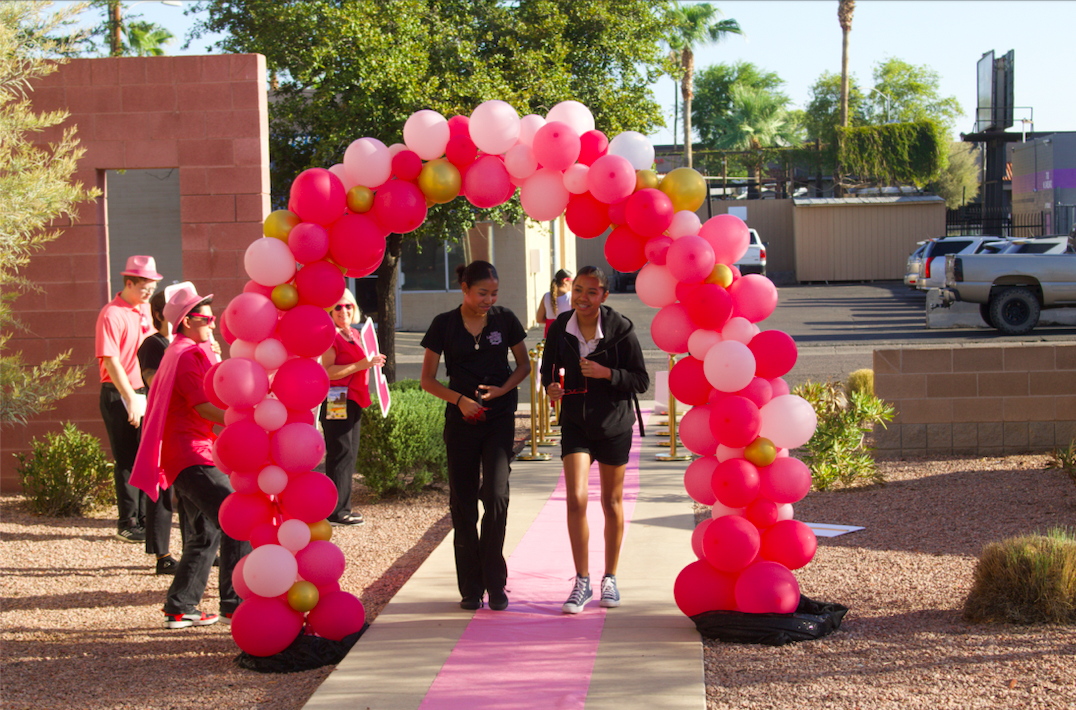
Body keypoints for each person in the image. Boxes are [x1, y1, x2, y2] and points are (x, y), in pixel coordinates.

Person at [130, 283, 250, 629]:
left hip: (184, 455)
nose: (212, 324)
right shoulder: (188, 355)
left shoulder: (179, 350)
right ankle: (234, 603)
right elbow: (202, 406)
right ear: (185, 322)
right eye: (206, 319)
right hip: (192, 454)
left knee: (204, 534)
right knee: (237, 518)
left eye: (213, 318)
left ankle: (180, 607)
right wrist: (246, 415)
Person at [420, 261, 530, 612]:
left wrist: (502, 391)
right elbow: (428, 380)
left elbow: (524, 365)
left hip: (498, 420)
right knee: (463, 503)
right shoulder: (443, 325)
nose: (488, 299)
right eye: (482, 293)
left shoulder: (505, 319)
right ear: (464, 288)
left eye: (493, 293)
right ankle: (470, 587)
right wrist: (461, 401)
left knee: (496, 496)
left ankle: (496, 582)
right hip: (462, 422)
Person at [541, 266, 649, 614]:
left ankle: (610, 578)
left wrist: (608, 374)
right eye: (578, 291)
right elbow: (547, 374)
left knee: (612, 502)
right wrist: (552, 390)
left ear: (604, 295)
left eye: (591, 292)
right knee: (575, 498)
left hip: (615, 424)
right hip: (575, 423)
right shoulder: (560, 328)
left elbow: (641, 380)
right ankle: (582, 581)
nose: (583, 298)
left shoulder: (621, 330)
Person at [95, 255, 160, 544]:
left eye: (152, 285)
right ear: (129, 283)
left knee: (145, 456)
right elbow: (110, 361)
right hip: (119, 393)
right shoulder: (112, 314)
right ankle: (127, 521)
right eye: (145, 285)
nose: (149, 291)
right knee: (126, 458)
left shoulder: (145, 309)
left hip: (143, 393)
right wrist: (130, 397)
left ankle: (146, 519)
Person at [320, 288, 386, 526]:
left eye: (348, 306)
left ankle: (343, 508)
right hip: (336, 397)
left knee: (349, 453)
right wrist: (363, 364)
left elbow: (364, 363)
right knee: (340, 452)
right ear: (330, 310)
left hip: (353, 398)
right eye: (338, 307)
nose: (343, 311)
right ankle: (336, 512)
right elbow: (328, 372)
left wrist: (373, 363)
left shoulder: (353, 334)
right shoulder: (330, 335)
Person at [137, 287, 181, 574]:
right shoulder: (153, 344)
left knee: (188, 488)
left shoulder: (184, 343)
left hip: (183, 423)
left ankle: (196, 547)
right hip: (161, 423)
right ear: (158, 314)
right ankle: (162, 554)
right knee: (162, 487)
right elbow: (151, 379)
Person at [535, 269, 573, 338]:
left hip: (550, 334)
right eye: (572, 281)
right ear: (565, 281)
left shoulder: (546, 296)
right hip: (566, 334)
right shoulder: (571, 296)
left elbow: (539, 319)